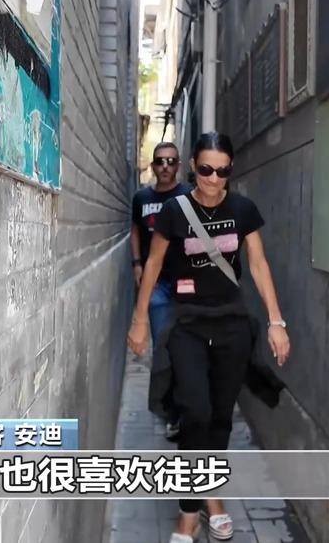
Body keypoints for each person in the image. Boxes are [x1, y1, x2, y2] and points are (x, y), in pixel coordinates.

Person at [127, 131, 290, 543]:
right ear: (192, 167)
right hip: (188, 324)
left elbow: (258, 265)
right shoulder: (174, 211)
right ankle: (189, 514)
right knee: (195, 412)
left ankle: (210, 495)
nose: (214, 179)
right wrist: (139, 320)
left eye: (222, 171)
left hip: (232, 325)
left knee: (220, 417)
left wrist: (276, 321)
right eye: (205, 169)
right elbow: (154, 263)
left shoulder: (243, 210)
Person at [130, 142, 191, 440]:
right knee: (163, 350)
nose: (165, 166)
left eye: (170, 161)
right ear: (153, 165)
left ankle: (182, 407)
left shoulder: (188, 196)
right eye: (160, 161)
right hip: (155, 286)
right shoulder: (142, 198)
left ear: (178, 165)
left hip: (185, 286)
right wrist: (136, 263)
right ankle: (172, 412)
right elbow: (135, 230)